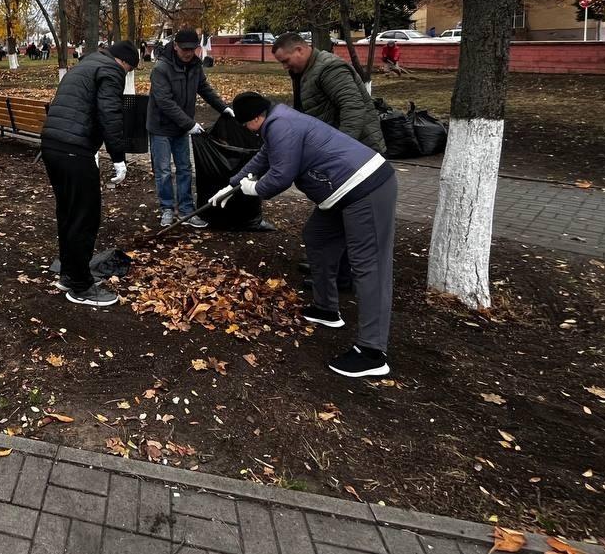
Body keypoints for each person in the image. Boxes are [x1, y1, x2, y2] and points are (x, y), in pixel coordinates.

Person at [213, 92, 397, 378]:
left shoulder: (281, 125)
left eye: (246, 124)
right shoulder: (277, 121)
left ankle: (372, 352)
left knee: (369, 266)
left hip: (365, 188)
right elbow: (263, 158)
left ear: (256, 119)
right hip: (339, 193)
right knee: (317, 236)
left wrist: (253, 190)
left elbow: (281, 175)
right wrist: (232, 185)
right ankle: (326, 309)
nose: (247, 130)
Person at [272, 32, 386, 292]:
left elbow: (354, 108)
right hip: (342, 155)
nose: (285, 66)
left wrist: (340, 153)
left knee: (345, 218)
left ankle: (341, 277)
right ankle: (329, 267)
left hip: (357, 157)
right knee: (335, 215)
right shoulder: (304, 72)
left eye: (287, 60)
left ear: (301, 49)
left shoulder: (330, 69)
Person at [39, 40, 138, 307]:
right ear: (125, 63)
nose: (126, 76)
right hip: (74, 150)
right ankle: (80, 286)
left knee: (69, 213)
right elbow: (110, 114)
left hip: (52, 145)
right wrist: (119, 158)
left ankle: (70, 273)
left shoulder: (85, 65)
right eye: (128, 71)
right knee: (85, 216)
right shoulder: (111, 71)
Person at [147, 28, 234, 229]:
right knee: (164, 170)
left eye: (192, 49)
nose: (188, 53)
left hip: (181, 128)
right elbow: (164, 102)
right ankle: (167, 209)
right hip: (161, 127)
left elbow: (204, 89)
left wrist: (224, 108)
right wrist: (190, 124)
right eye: (184, 49)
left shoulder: (195, 65)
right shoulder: (161, 68)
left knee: (185, 168)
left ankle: (186, 210)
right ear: (175, 46)